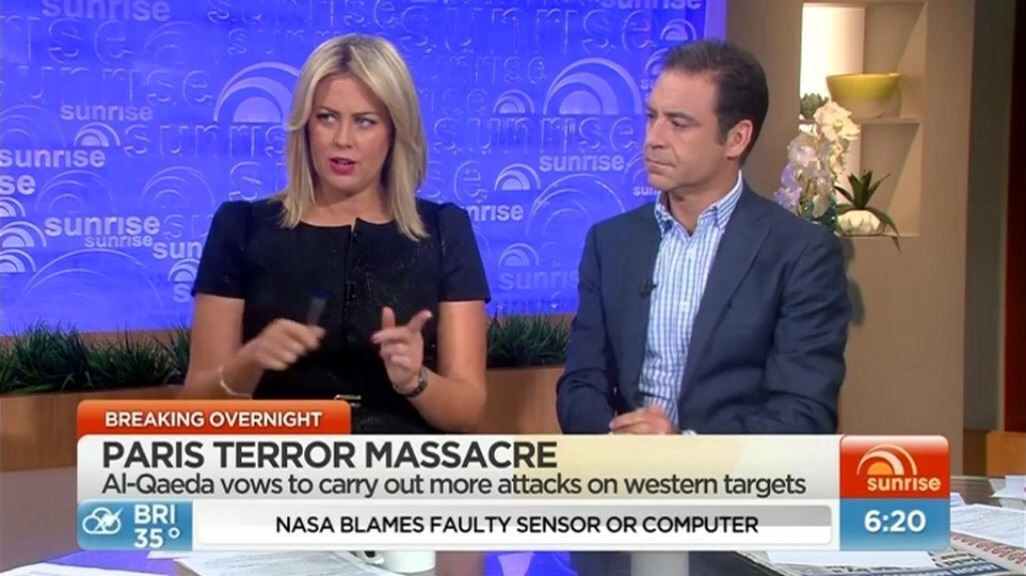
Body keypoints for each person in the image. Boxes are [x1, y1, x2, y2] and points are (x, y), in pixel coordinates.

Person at [556, 39, 851, 573]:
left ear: (736, 138)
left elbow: (803, 416)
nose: (653, 138)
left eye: (679, 123)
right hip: (621, 518)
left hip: (736, 530)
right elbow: (580, 385)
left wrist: (684, 453)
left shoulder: (800, 254)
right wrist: (619, 445)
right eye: (652, 117)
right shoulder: (611, 242)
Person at [181, 34, 491, 435]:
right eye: (327, 117)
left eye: (364, 121)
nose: (342, 139)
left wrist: (415, 380)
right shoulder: (242, 227)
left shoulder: (444, 231)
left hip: (404, 465)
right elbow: (196, 409)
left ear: (395, 131)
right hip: (281, 462)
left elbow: (468, 411)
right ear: (305, 127)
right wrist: (249, 361)